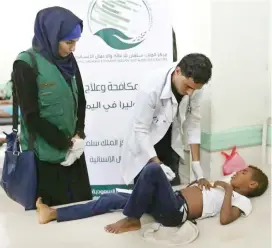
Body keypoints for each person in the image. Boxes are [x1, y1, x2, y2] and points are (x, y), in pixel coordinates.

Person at [36, 163, 268, 235]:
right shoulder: (223, 184)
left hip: (176, 212)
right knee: (111, 198)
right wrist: (201, 183)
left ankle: (132, 218)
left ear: (252, 185)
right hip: (172, 199)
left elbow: (226, 219)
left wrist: (226, 189)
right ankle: (54, 213)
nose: (238, 171)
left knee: (154, 170)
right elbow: (195, 193)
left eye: (244, 173)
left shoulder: (241, 200)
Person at [12, 6, 92, 206]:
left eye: (76, 42)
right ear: (50, 35)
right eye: (68, 42)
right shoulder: (25, 64)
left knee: (81, 209)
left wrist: (79, 134)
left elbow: (80, 100)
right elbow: (31, 116)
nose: (73, 48)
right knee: (52, 219)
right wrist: (64, 144)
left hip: (73, 153)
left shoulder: (69, 61)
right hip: (46, 158)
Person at [120, 53, 213, 186]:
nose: (190, 93)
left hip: (170, 141)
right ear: (177, 71)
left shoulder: (195, 85)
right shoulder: (151, 87)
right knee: (145, 194)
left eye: (195, 89)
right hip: (146, 144)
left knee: (172, 193)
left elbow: (193, 122)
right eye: (188, 86)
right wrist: (157, 164)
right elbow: (141, 129)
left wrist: (196, 164)